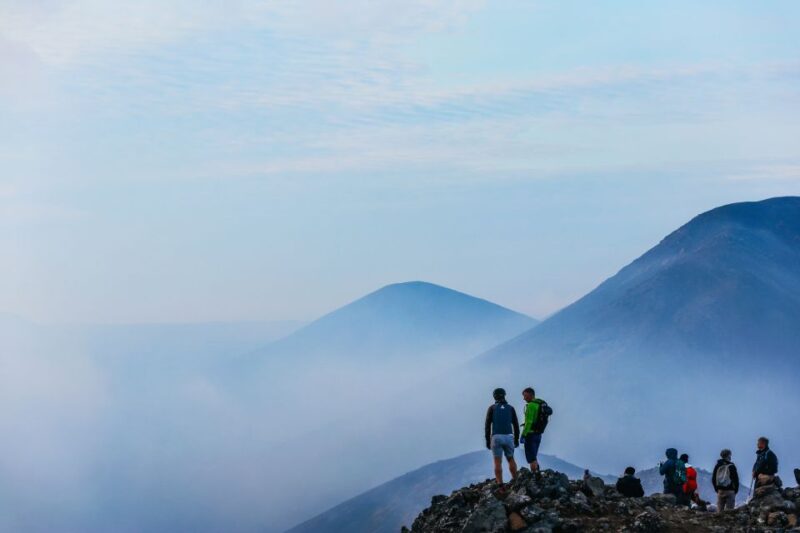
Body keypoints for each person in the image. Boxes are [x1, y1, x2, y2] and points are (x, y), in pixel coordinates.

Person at [485, 388, 520, 487]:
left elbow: (487, 426)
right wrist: (516, 439)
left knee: (497, 461)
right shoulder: (511, 408)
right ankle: (515, 480)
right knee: (510, 459)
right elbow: (516, 425)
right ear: (504, 395)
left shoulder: (492, 408)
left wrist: (488, 441)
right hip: (509, 436)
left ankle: (500, 484)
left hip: (496, 437)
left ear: (494, 396)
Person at [520, 387, 548, 472]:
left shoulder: (531, 405)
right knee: (534, 456)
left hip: (530, 434)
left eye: (525, 396)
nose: (524, 398)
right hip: (538, 434)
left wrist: (523, 435)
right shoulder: (540, 404)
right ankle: (537, 474)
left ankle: (534, 476)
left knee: (531, 458)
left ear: (530, 395)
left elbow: (529, 422)